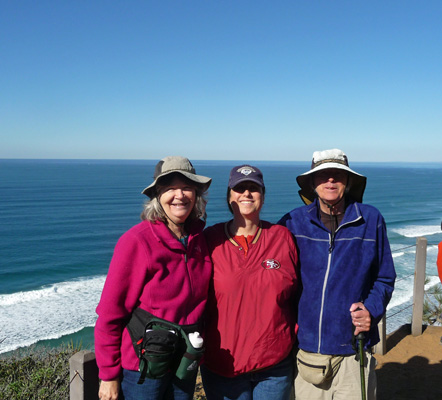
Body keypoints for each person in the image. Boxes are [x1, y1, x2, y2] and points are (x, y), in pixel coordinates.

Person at [278, 149, 396, 400]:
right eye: (322, 175)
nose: (330, 181)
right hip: (308, 351)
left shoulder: (371, 219)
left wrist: (371, 310)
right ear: (312, 182)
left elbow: (384, 278)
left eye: (337, 175)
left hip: (355, 352)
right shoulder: (291, 222)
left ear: (348, 181)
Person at [95, 156, 212, 400]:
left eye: (187, 187)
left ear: (197, 195)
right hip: (144, 369)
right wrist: (108, 376)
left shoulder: (200, 240)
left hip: (185, 363)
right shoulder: (137, 241)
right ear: (157, 196)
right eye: (169, 188)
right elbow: (110, 313)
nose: (179, 195)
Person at [201, 164, 299, 400]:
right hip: (223, 367)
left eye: (253, 188)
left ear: (263, 198)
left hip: (274, 366)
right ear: (229, 197)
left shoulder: (282, 238)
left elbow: (299, 293)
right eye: (239, 188)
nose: (246, 193)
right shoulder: (209, 240)